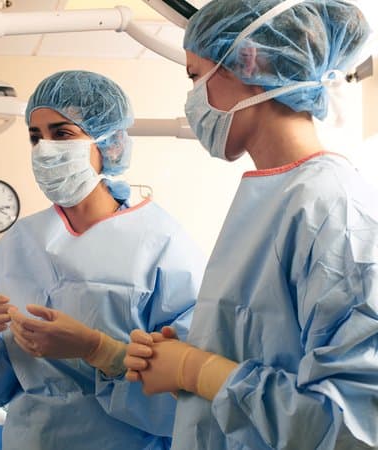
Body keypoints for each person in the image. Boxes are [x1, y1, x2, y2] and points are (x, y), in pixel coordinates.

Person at [123, 1, 378, 449]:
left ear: (249, 61)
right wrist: (188, 349)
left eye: (194, 75)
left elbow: (353, 427)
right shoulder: (275, 196)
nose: (193, 97)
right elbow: (266, 342)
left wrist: (197, 370)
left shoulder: (331, 208)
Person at [0, 70, 206, 449]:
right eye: (35, 137)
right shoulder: (17, 244)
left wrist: (97, 351)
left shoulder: (162, 244)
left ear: (112, 145)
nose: (44, 148)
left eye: (62, 134)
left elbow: (187, 394)